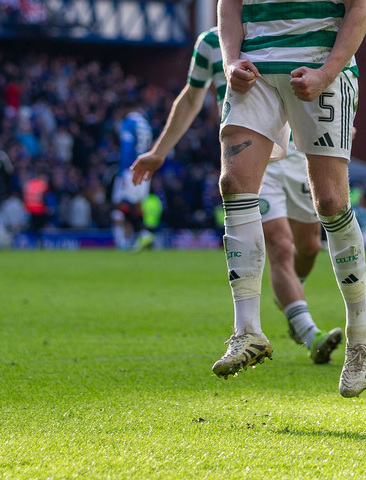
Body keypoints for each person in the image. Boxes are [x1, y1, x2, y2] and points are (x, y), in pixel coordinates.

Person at [214, 0, 366, 397]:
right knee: (234, 182)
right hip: (256, 69)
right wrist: (231, 59)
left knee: (331, 201)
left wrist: (329, 71)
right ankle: (248, 330)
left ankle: (359, 334)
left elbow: (358, 10)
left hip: (318, 74)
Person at [130, 25, 343, 364]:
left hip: (298, 153)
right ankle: (309, 331)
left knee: (309, 247)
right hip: (252, 157)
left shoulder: (287, 26)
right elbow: (190, 97)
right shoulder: (212, 42)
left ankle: (287, 296)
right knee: (281, 246)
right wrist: (159, 151)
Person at [111, 104, 153, 250]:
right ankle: (136, 238)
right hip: (145, 168)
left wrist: (123, 170)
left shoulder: (128, 122)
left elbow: (127, 147)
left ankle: (139, 234)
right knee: (136, 205)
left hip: (131, 168)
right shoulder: (146, 124)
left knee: (120, 203)